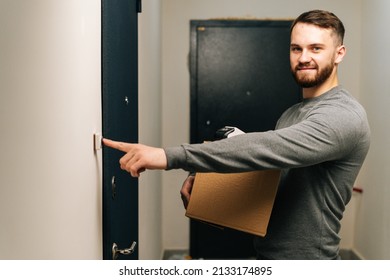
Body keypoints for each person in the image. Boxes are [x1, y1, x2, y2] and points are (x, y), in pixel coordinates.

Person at [103, 10, 370, 260]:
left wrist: (168, 156)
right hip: (267, 254)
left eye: (316, 48)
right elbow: (270, 173)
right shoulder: (292, 114)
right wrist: (208, 178)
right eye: (296, 48)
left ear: (339, 53)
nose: (303, 58)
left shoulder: (344, 116)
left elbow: (268, 148)